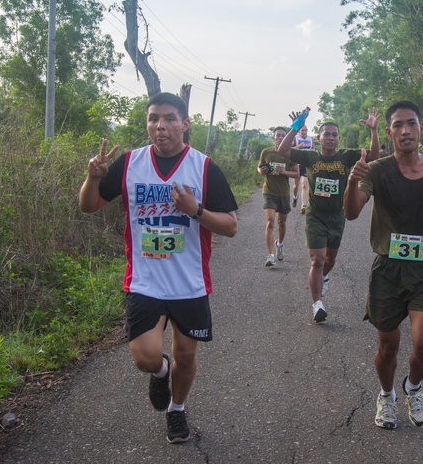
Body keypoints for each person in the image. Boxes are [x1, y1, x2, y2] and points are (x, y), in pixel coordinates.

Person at [78, 92, 239, 444]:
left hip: (189, 282)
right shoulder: (129, 163)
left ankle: (177, 410)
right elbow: (89, 206)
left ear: (185, 124)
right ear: (147, 124)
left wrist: (195, 210)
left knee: (186, 353)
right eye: (153, 119)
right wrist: (92, 178)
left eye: (169, 118)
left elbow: (230, 225)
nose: (160, 126)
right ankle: (160, 371)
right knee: (146, 357)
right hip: (145, 280)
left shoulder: (204, 167)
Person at [344, 100, 423, 430]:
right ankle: (386, 395)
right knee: (388, 348)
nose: (405, 130)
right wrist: (351, 181)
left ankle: (412, 386)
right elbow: (352, 212)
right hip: (388, 269)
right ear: (389, 132)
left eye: (411, 123)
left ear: (420, 129)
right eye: (398, 125)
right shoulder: (377, 169)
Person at [278, 107, 381, 323]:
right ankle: (317, 305)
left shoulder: (345, 157)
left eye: (335, 134)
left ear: (339, 138)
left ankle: (325, 276)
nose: (331, 138)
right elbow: (283, 150)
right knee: (318, 259)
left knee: (330, 259)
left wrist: (373, 131)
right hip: (316, 215)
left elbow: (373, 156)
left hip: (337, 216)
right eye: (327, 134)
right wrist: (296, 126)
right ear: (319, 137)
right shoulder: (310, 157)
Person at [258, 126, 299, 267]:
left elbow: (297, 174)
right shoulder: (266, 152)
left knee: (282, 223)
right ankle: (270, 256)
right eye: (278, 135)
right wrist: (261, 170)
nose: (281, 137)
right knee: (270, 222)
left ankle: (280, 244)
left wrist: (284, 172)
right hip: (269, 191)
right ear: (273, 138)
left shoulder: (290, 154)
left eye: (283, 135)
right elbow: (259, 168)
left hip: (283, 193)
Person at [292, 126, 314, 214]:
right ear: (299, 131)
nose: (304, 132)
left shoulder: (310, 138)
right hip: (296, 164)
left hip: (306, 164)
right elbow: (290, 149)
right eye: (302, 130)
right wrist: (299, 146)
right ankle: (294, 197)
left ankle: (303, 205)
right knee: (295, 186)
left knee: (304, 185)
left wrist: (312, 152)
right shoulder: (295, 138)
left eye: (305, 130)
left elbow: (313, 149)